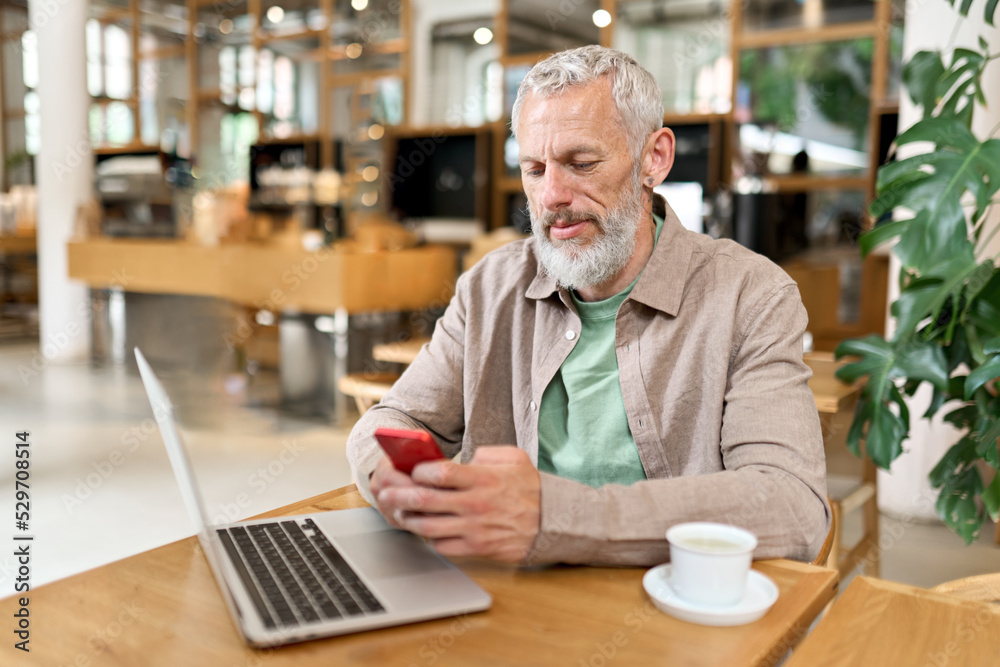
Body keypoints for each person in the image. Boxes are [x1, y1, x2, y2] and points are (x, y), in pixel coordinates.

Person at [346, 45, 830, 567]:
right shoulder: (490, 286)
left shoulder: (750, 294)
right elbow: (392, 420)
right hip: (506, 601)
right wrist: (394, 483)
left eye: (582, 163)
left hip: (673, 608)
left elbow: (791, 504)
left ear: (654, 159)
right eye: (534, 169)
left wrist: (556, 518)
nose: (552, 194)